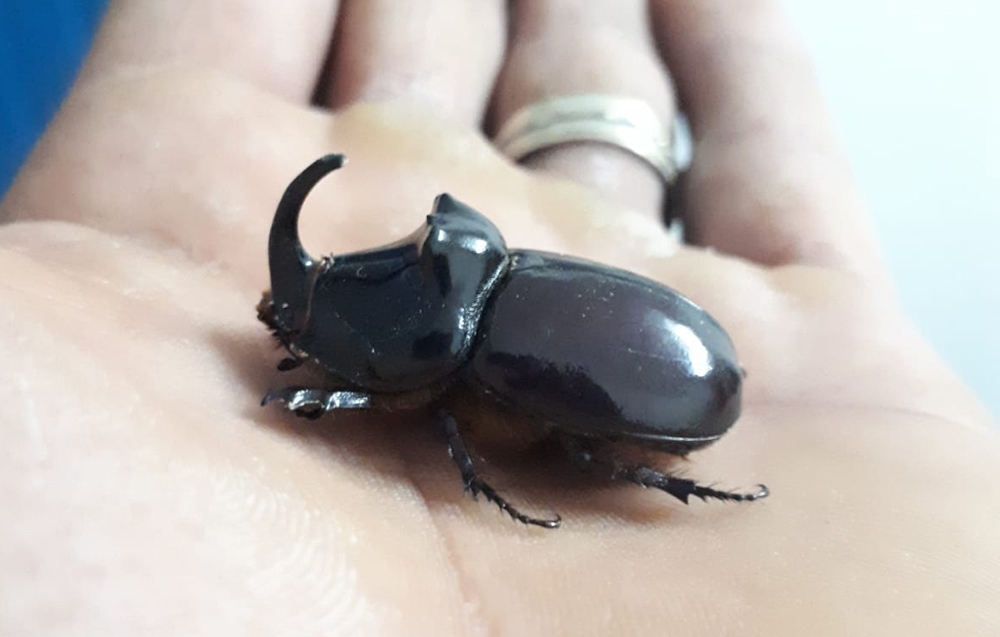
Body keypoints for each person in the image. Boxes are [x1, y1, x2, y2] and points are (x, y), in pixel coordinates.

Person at [1, 1, 996, 634]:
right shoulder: (476, 289)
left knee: (587, 448)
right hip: (661, 355)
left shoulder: (459, 357)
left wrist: (323, 392)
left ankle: (673, 488)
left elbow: (421, 402)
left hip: (674, 397)